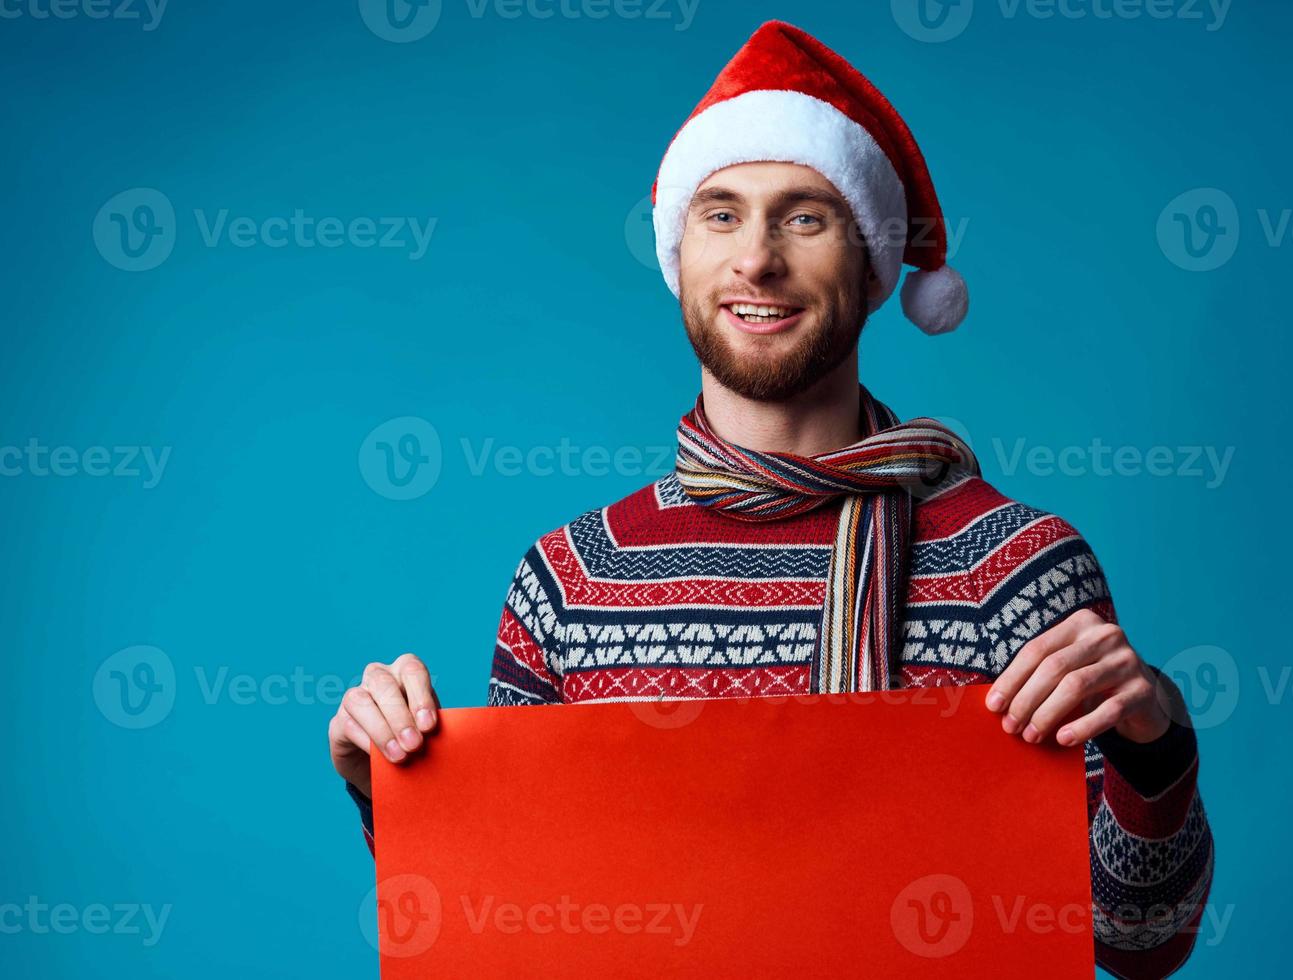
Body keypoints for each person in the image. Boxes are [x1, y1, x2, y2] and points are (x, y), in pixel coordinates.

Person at [328, 20, 1214, 978]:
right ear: (680, 256)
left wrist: (1150, 741)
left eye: (804, 216)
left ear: (873, 267)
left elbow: (1139, 941)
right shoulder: (573, 579)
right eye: (720, 214)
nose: (756, 260)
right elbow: (510, 927)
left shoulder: (1019, 566)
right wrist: (397, 785)